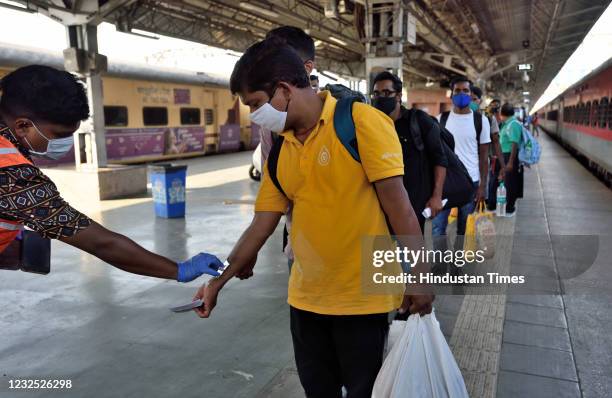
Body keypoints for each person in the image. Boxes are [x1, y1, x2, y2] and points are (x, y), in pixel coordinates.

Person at [193, 38, 434, 398]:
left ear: (284, 91)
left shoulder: (361, 122)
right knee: (317, 392)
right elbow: (262, 223)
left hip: (362, 300)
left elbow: (400, 208)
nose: (254, 114)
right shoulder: (280, 150)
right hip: (305, 301)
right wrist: (219, 281)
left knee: (364, 391)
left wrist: (420, 275)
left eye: (256, 104)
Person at [0, 65, 224, 283]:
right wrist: (178, 269)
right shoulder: (14, 174)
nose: (65, 143)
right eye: (59, 135)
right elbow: (102, 243)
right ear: (22, 126)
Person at [371, 71, 447, 233]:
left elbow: (440, 159)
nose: (380, 98)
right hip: (379, 208)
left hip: (412, 208)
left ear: (398, 96)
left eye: (386, 93)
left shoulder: (419, 121)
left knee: (409, 255)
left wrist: (436, 196)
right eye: (376, 94)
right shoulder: (370, 124)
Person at [433, 77, 490, 249]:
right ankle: (440, 263)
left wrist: (482, 187)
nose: (461, 94)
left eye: (465, 91)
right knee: (437, 228)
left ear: (471, 94)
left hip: (469, 183)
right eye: (457, 91)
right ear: (451, 94)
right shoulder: (440, 119)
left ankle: (458, 261)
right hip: (444, 183)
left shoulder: (481, 121)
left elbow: (484, 156)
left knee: (464, 228)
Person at [498, 103, 522, 216]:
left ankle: (510, 208)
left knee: (510, 183)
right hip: (505, 156)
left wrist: (511, 162)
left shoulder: (513, 124)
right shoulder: (508, 124)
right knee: (507, 182)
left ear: (502, 114)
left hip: (510, 157)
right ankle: (507, 206)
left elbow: (514, 144)